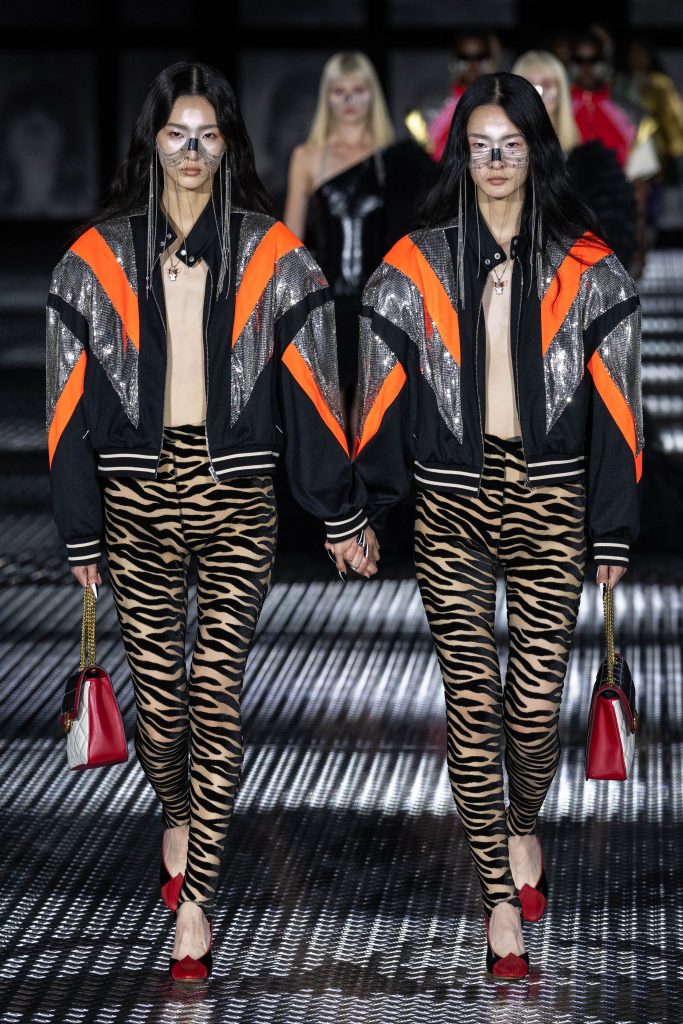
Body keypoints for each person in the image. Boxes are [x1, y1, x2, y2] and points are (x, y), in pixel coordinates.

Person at [45, 61, 378, 983]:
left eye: (207, 135)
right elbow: (65, 405)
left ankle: (196, 902)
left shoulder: (274, 256)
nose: (191, 152)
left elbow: (315, 391)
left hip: (237, 500)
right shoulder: (94, 260)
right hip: (136, 499)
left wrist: (338, 511)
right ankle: (179, 810)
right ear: (151, 142)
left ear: (228, 145)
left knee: (216, 693)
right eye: (175, 135)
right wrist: (79, 529)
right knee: (160, 711)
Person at [353, 72, 643, 978]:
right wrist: (363, 506)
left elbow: (619, 409)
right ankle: (496, 903)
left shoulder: (588, 268)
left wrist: (611, 529)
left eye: (509, 145)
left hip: (552, 498)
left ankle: (522, 822)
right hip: (450, 503)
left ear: (534, 151)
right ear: (461, 155)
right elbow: (377, 387)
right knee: (471, 707)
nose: (494, 160)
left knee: (534, 703)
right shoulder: (416, 264)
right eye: (479, 146)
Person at [284, 52, 432, 440]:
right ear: (327, 96)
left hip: (381, 299)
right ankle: (336, 480)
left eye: (358, 90)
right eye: (339, 91)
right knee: (329, 416)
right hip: (326, 301)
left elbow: (412, 234)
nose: (349, 101)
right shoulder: (307, 156)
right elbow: (290, 246)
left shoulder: (393, 157)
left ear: (373, 95)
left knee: (372, 417)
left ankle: (367, 481)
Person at [513, 49, 637, 270]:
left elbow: (616, 233)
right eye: (529, 86)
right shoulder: (495, 161)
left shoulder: (594, 165)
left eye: (547, 85)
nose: (538, 94)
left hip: (578, 278)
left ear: (561, 91)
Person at [427, 31, 500, 162]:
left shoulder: (500, 102)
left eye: (479, 57)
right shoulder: (433, 107)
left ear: (490, 61)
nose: (472, 65)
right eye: (464, 58)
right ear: (453, 62)